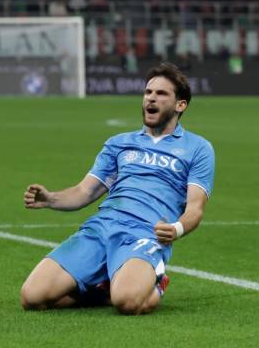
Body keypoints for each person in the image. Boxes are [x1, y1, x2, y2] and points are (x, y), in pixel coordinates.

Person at [19, 63, 215, 314]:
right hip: (102, 227)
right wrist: (50, 199)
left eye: (161, 93)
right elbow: (85, 192)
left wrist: (176, 230)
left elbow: (195, 208)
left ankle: (155, 284)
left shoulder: (198, 148)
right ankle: (104, 290)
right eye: (148, 92)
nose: (151, 98)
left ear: (180, 105)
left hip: (145, 233)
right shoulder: (119, 144)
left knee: (128, 302)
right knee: (31, 297)